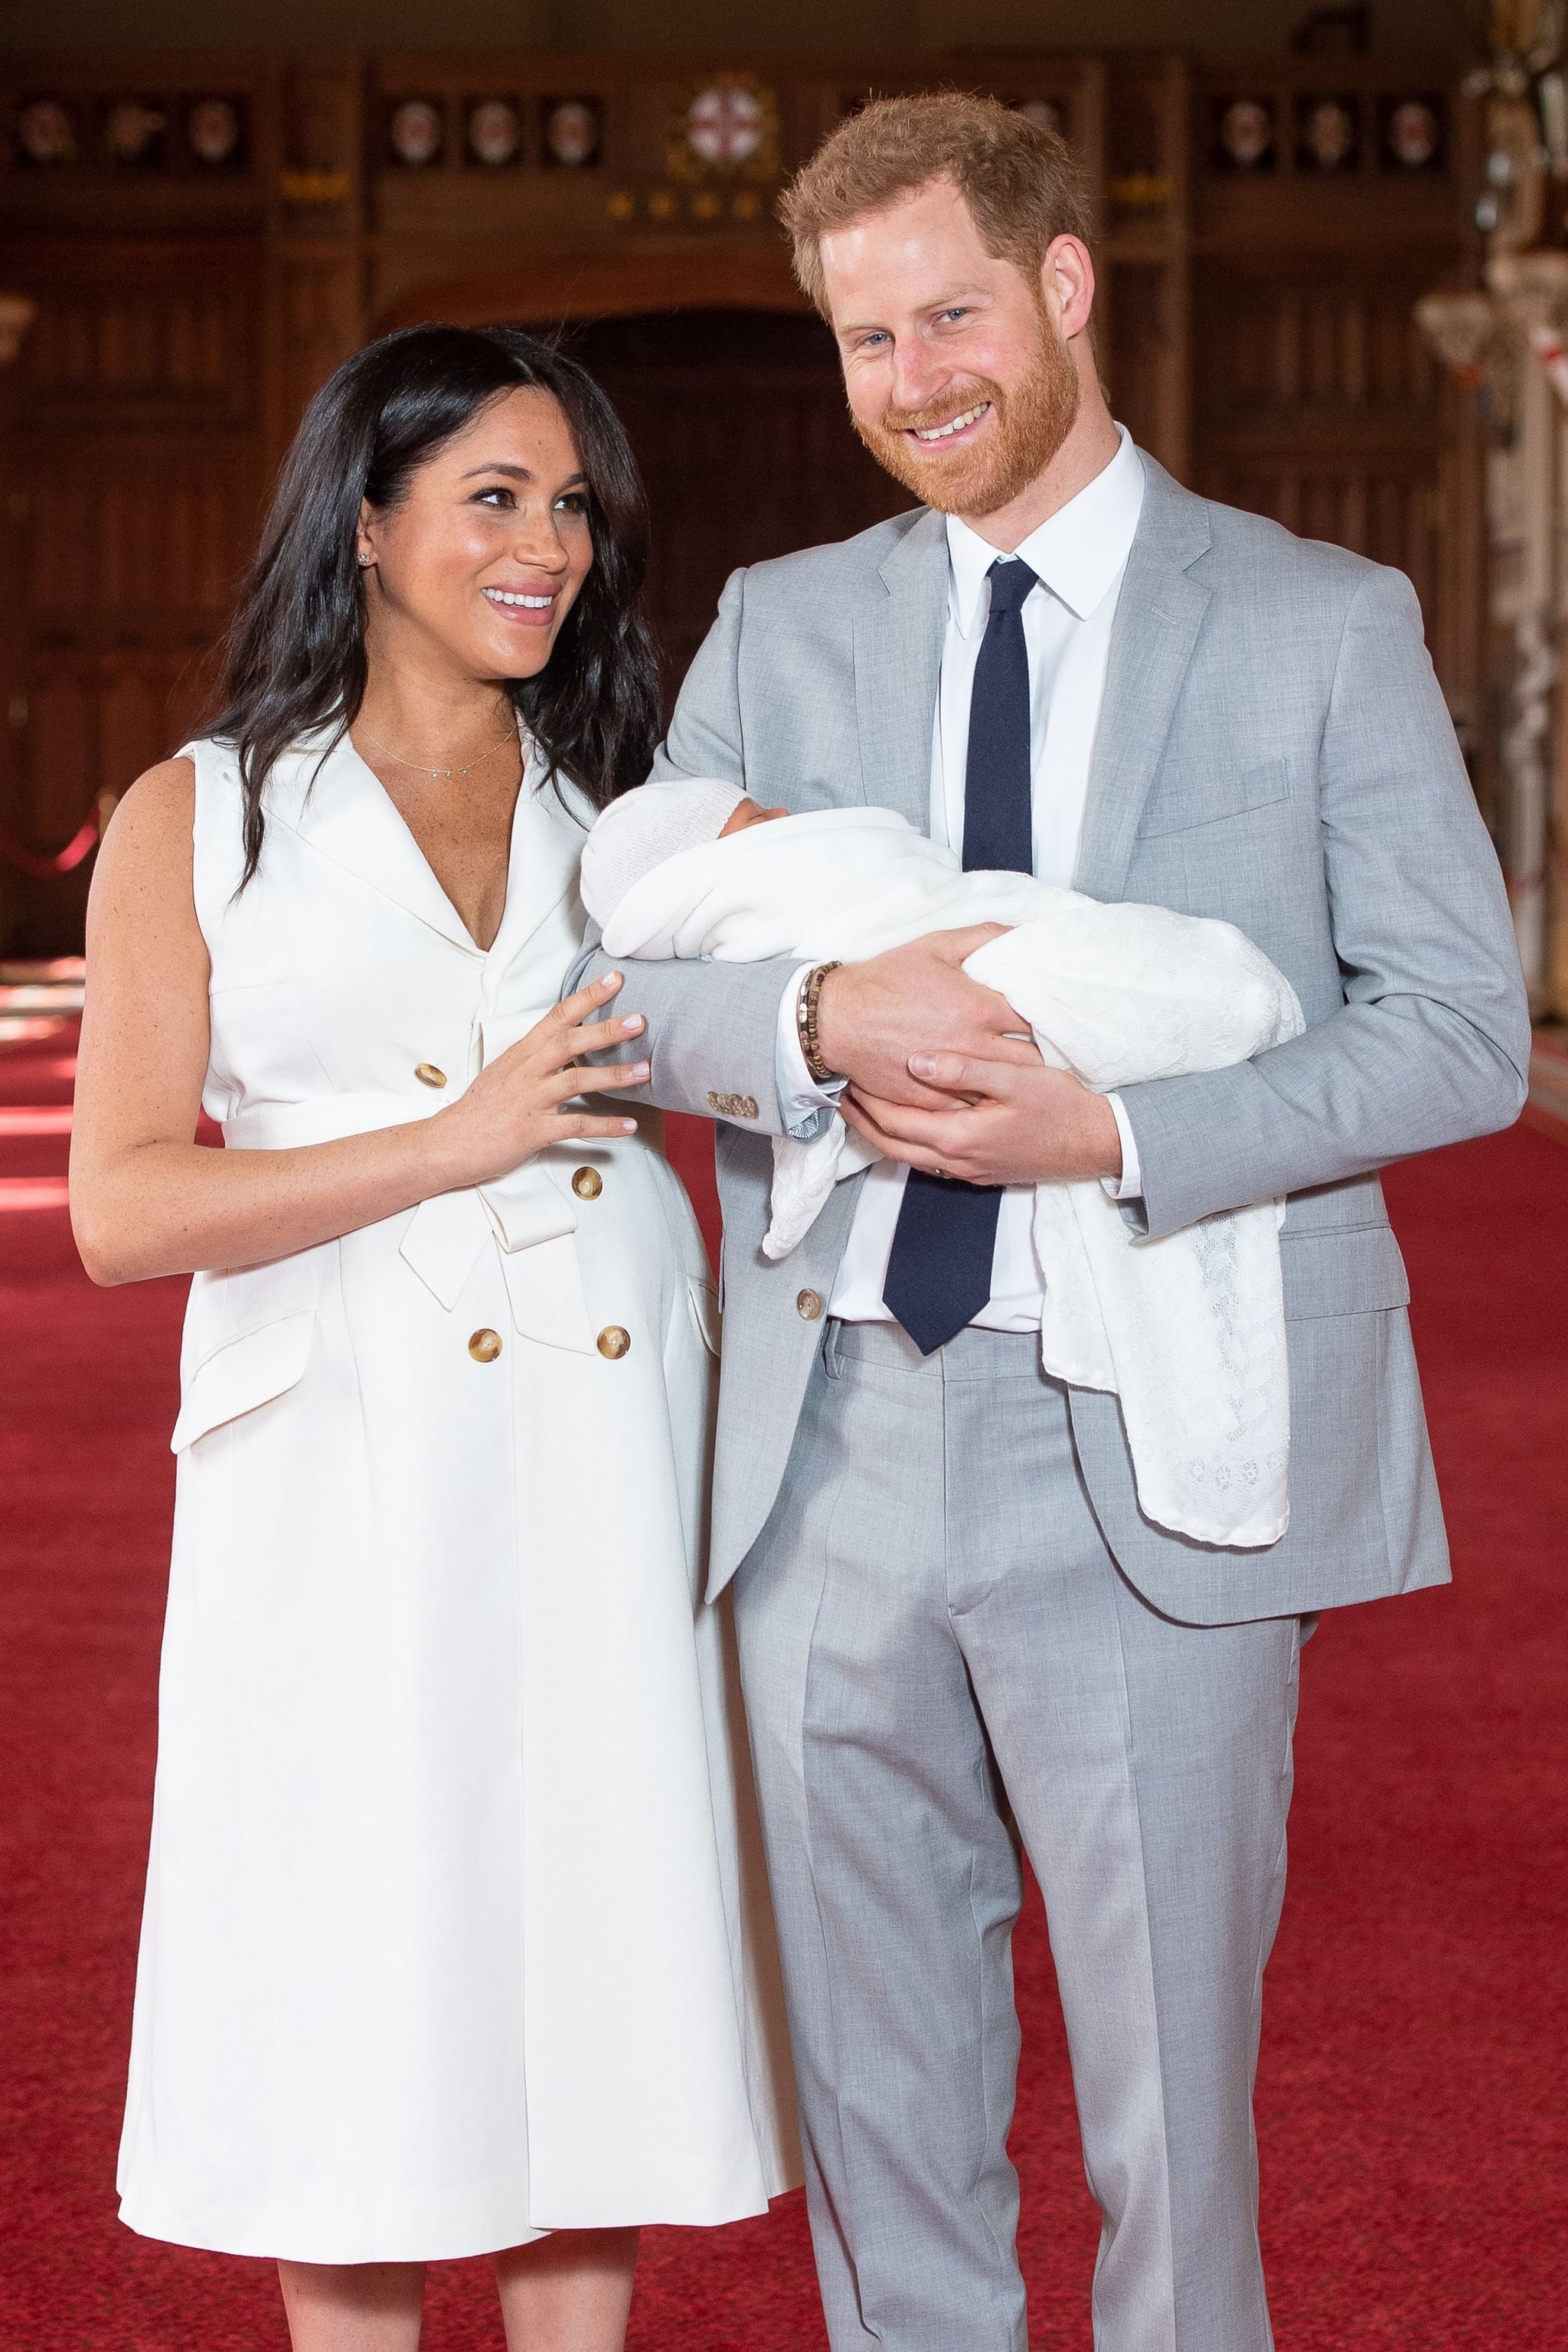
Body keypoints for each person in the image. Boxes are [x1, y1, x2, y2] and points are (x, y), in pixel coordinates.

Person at [574, 93, 1532, 2352]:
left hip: (1141, 1421)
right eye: (860, 337)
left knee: (1169, 2114)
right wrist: (815, 1008)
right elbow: (627, 989)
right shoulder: (775, 624)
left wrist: (1108, 1125)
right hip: (824, 1451)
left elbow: (1460, 1034)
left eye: (947, 315)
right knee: (876, 2087)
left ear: (1063, 285)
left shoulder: (1314, 621)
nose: (909, 378)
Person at [69, 324, 796, 2352]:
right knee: (366, 1984)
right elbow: (124, 1207)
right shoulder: (199, 813)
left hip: (608, 1434)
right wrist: (452, 1138)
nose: (546, 544)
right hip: (339, 1462)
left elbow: (798, 1032)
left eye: (571, 507)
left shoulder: (636, 813)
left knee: (591, 1992)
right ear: (368, 520)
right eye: (494, 496)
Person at [578, 774, 1305, 1550]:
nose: (786, 818)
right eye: (757, 821)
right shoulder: (748, 675)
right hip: (830, 1385)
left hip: (1086, 1359)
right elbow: (601, 995)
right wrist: (821, 1020)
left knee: (1132, 975)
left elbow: (1444, 1017)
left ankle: (1222, 995)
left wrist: (1112, 1134)